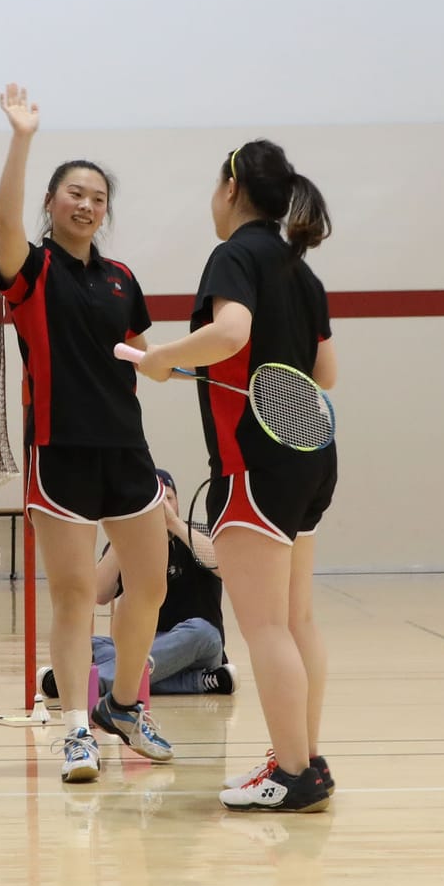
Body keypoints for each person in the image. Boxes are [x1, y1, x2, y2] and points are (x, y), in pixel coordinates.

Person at [134, 140, 337, 814]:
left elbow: (231, 332)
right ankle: (304, 759)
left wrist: (163, 355)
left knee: (267, 626)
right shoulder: (301, 271)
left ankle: (295, 773)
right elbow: (326, 372)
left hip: (254, 463)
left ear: (230, 187)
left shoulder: (234, 256)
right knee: (297, 619)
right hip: (310, 457)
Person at [0, 82, 173, 786]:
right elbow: (5, 223)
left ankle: (123, 706)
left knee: (149, 586)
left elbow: (144, 354)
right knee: (73, 597)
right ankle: (75, 729)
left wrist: (162, 362)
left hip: (127, 451)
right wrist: (22, 139)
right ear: (51, 202)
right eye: (75, 193)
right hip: (59, 451)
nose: (87, 204)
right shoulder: (32, 271)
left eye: (98, 197)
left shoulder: (122, 279)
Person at [41, 468, 232, 702]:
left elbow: (222, 566)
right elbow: (99, 593)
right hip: (145, 644)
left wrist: (173, 524)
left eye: (168, 498)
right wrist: (124, 535)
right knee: (88, 644)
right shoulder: (129, 545)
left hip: (196, 645)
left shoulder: (197, 532)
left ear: (178, 502)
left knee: (202, 632)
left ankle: (88, 683)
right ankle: (198, 681)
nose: (163, 507)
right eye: (155, 503)